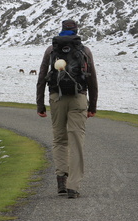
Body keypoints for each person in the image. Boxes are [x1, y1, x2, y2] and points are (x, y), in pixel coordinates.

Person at [36, 19, 98, 199]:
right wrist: (92, 106)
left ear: (61, 30)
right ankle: (73, 186)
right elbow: (92, 80)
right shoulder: (84, 50)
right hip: (79, 98)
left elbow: (41, 77)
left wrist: (40, 105)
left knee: (60, 140)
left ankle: (61, 181)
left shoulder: (51, 50)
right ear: (77, 31)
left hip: (56, 98)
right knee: (76, 142)